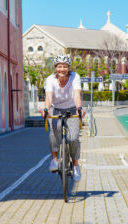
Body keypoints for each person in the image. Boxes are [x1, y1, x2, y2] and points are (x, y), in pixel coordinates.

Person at [41, 54, 84, 182]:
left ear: (68, 68)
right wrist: (46, 109)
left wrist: (79, 108)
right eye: (59, 67)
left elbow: (77, 94)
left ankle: (76, 165)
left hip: (71, 109)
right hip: (56, 109)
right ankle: (54, 160)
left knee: (73, 138)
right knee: (54, 134)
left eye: (65, 67)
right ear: (56, 68)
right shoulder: (50, 79)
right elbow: (49, 97)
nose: (62, 69)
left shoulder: (75, 77)